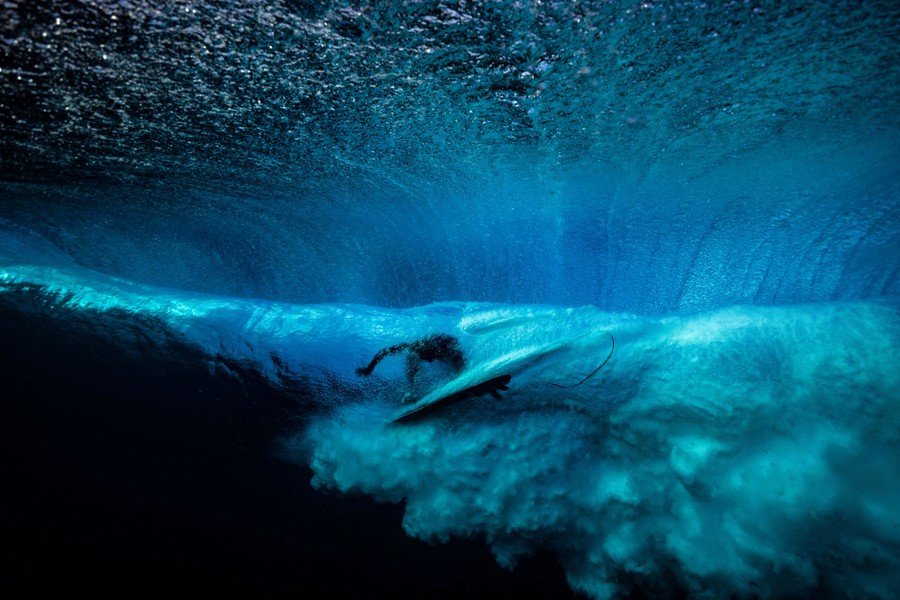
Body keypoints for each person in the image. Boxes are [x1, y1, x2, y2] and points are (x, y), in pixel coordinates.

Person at [356, 333, 466, 401]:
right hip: (436, 345)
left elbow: (452, 352)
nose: (429, 360)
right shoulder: (410, 349)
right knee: (412, 366)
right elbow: (383, 352)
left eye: (428, 358)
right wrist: (369, 368)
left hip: (447, 342)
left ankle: (462, 374)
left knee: (455, 363)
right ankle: (411, 391)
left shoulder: (437, 348)